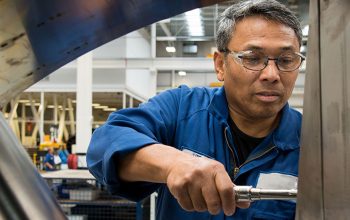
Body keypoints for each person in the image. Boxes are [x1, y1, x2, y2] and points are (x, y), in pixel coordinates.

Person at [87, 0, 305, 219]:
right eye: (252, 58)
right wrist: (173, 163)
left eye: (286, 60)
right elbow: (104, 144)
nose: (271, 74)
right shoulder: (181, 108)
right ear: (220, 65)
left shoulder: (311, 143)